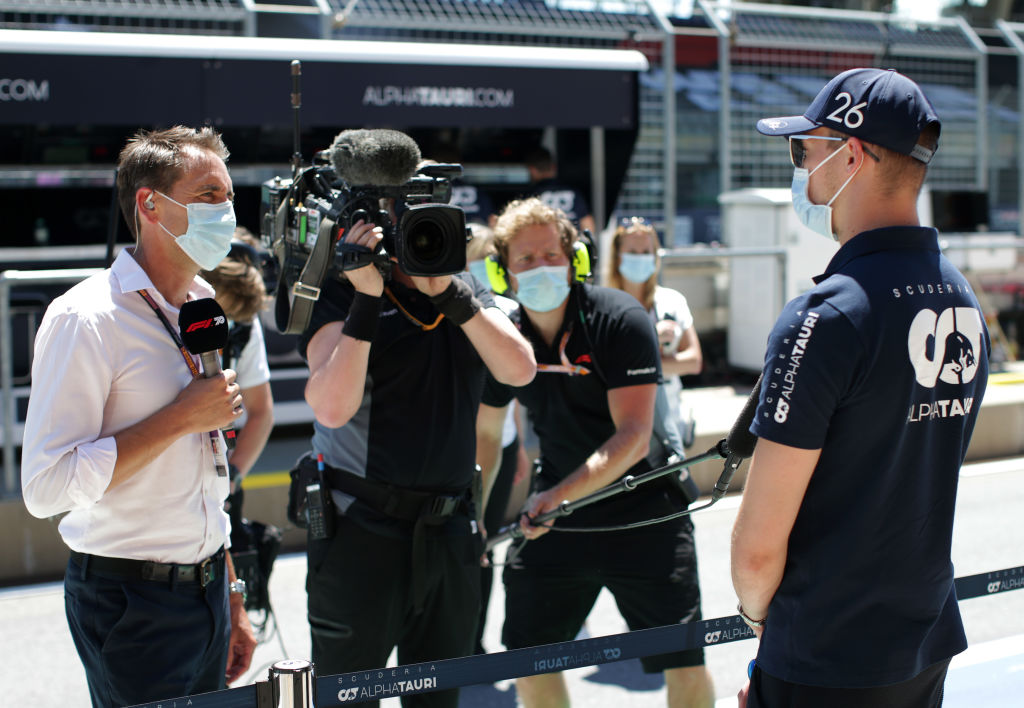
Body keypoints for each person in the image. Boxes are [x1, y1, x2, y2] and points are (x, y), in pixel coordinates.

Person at [731, 68, 990, 708]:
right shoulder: (960, 296)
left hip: (825, 655)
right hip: (923, 642)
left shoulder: (826, 314)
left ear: (849, 154)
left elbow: (758, 552)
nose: (799, 169)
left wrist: (764, 625)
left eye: (803, 149)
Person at [21, 126, 257, 708]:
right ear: (150, 204)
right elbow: (45, 487)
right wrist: (181, 417)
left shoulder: (200, 303)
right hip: (130, 601)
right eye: (207, 196)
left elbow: (205, 473)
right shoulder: (85, 317)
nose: (225, 212)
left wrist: (229, 592)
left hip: (205, 592)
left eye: (228, 197)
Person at [298, 162, 536, 707]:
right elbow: (331, 408)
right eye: (400, 220)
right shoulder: (338, 295)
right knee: (347, 697)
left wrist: (450, 291)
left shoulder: (466, 290)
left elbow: (520, 370)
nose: (416, 235)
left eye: (427, 220)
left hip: (449, 531)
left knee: (438, 700)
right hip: (362, 532)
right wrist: (366, 297)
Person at [477, 198, 714, 708]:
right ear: (502, 271)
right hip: (558, 518)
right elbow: (488, 435)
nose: (541, 267)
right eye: (525, 259)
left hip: (646, 511)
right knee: (527, 656)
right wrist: (473, 518)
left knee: (683, 659)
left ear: (574, 259)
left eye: (551, 254)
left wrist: (557, 496)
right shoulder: (505, 335)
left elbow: (632, 436)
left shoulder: (621, 318)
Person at [466, 222, 533, 655]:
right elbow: (484, 431)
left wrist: (521, 447)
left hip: (501, 445)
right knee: (478, 541)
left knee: (482, 544)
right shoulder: (494, 311)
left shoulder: (507, 311)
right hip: (473, 451)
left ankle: (472, 639)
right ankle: (464, 641)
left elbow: (513, 399)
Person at [199, 229, 275, 539]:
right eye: (220, 314)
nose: (224, 326)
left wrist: (232, 477)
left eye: (230, 319)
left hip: (218, 492)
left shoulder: (243, 324)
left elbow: (261, 412)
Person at [606, 216, 703, 444]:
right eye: (632, 252)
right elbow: (604, 369)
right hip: (618, 425)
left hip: (669, 425)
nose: (640, 259)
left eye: (645, 252)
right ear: (617, 256)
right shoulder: (603, 304)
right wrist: (652, 341)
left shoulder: (671, 301)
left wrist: (634, 363)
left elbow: (693, 361)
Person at [525, 145, 597, 235]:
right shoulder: (573, 192)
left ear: (532, 170)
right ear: (553, 167)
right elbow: (587, 223)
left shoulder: (532, 195)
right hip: (573, 243)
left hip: (547, 245)